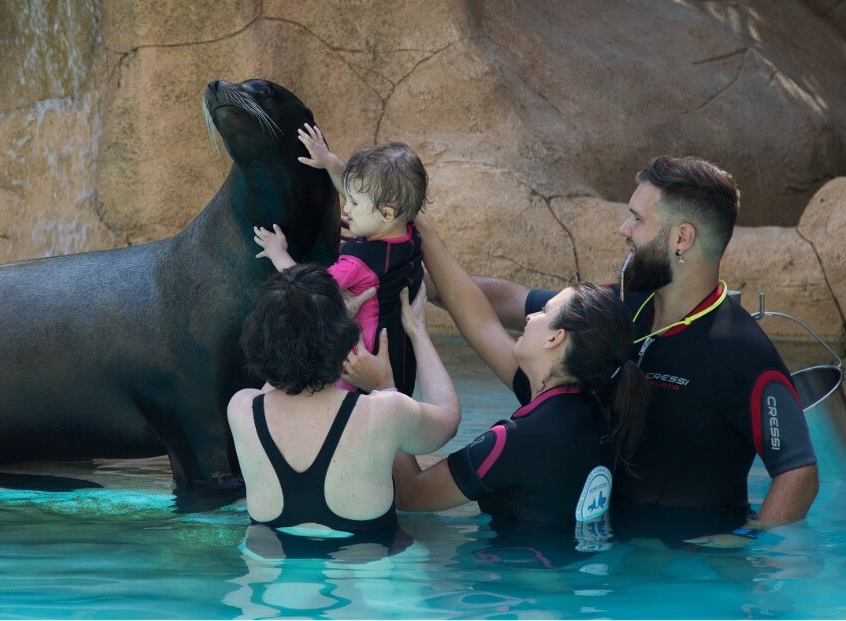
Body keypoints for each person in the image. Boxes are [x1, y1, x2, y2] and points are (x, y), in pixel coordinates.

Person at [431, 156, 819, 545]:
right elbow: (513, 301)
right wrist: (415, 282)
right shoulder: (623, 306)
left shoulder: (739, 349)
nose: (624, 229)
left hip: (679, 570)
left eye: (637, 218)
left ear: (681, 238)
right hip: (596, 540)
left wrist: (745, 543)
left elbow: (798, 471)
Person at [346, 213, 649, 524]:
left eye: (544, 311)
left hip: (517, 568)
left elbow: (411, 495)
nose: (530, 317)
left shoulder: (516, 440)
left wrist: (384, 390)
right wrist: (415, 230)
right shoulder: (592, 409)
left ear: (556, 338)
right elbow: (481, 323)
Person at [226, 264, 459, 537]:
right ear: (343, 337)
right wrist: (416, 336)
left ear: (256, 338)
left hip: (269, 571)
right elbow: (448, 418)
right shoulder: (384, 412)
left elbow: (276, 375)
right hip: (369, 571)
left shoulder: (242, 408)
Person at [253, 124, 426, 395]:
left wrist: (278, 252)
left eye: (355, 204)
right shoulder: (408, 234)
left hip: (359, 368)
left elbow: (307, 289)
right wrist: (330, 162)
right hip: (398, 363)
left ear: (387, 214)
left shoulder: (358, 263)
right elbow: (369, 198)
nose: (346, 208)